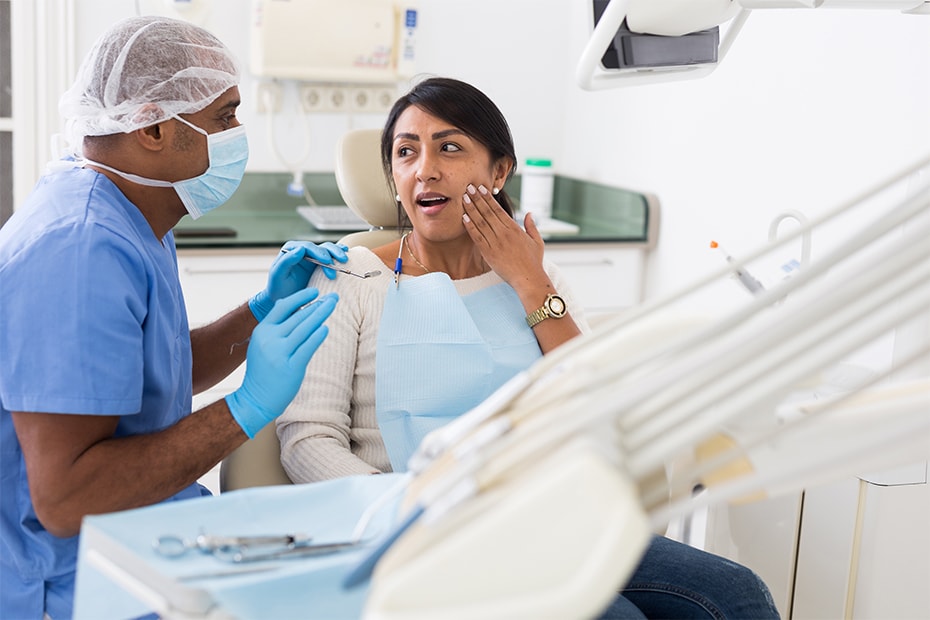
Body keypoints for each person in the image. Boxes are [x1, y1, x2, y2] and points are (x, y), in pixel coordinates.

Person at [277, 77, 779, 619]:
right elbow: (307, 439)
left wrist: (532, 286)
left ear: (499, 171)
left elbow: (594, 405)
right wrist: (409, 506)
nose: (425, 168)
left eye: (449, 147)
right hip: (413, 529)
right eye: (406, 152)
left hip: (541, 517)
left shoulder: (539, 277)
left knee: (737, 595)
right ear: (395, 176)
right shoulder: (349, 278)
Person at [0, 17, 347, 619]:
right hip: (69, 583)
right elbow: (65, 499)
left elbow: (141, 376)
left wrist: (256, 315)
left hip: (137, 539)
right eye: (225, 117)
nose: (238, 135)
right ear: (156, 125)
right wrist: (247, 407)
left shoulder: (135, 212)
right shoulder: (80, 248)